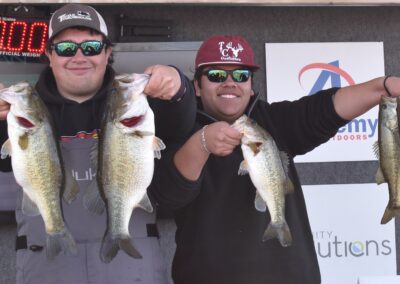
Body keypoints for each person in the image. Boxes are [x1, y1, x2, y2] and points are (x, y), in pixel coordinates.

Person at [149, 34, 400, 284]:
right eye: (216, 75)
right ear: (197, 86)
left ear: (250, 84)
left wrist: (383, 86)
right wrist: (202, 143)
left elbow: (327, 109)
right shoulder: (177, 128)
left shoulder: (273, 121)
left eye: (240, 75)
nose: (230, 83)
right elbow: (169, 195)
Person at [0, 3, 196, 284]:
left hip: (132, 270)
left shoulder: (143, 109)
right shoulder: (18, 114)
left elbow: (181, 122)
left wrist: (180, 87)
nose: (79, 57)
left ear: (107, 53)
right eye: (67, 48)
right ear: (49, 55)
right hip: (47, 269)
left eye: (91, 47)